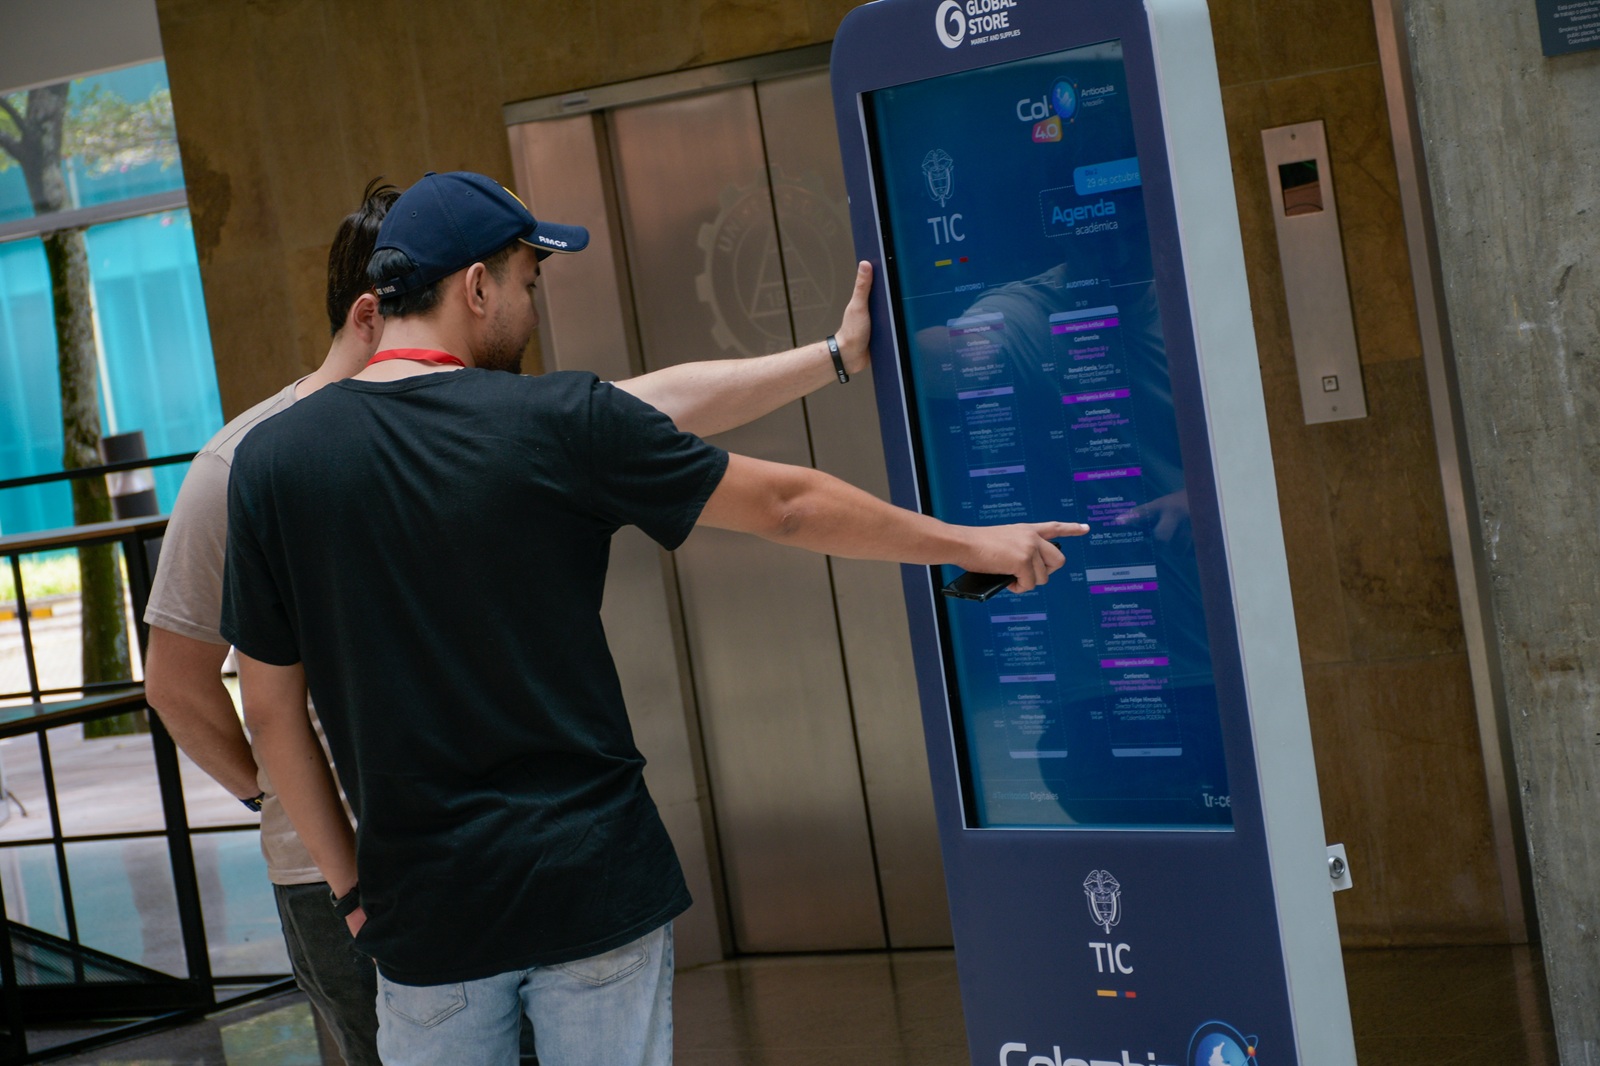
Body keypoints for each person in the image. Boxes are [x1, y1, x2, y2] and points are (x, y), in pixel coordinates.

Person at [220, 171, 1085, 1066]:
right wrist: (970, 542)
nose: (532, 309)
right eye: (528, 282)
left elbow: (272, 712)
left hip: (426, 917)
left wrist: (352, 890)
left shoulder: (275, 462)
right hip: (591, 886)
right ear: (475, 287)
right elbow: (786, 504)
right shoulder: (554, 422)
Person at [143, 179, 399, 1066]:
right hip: (331, 876)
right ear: (370, 315)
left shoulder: (445, 429)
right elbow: (176, 684)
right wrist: (279, 791)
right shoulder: (238, 465)